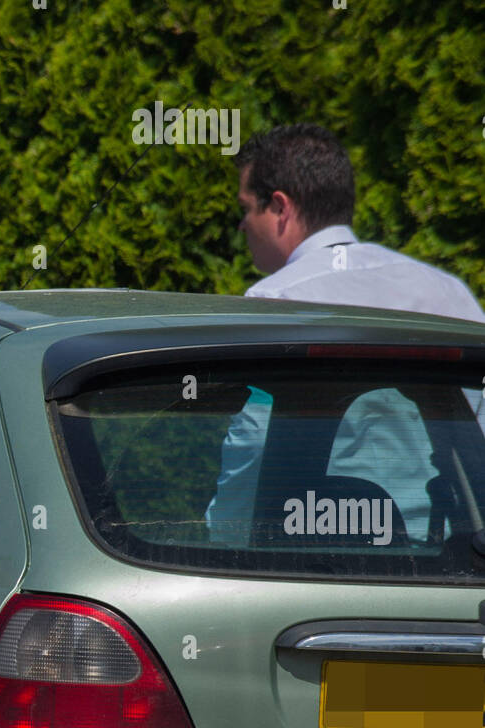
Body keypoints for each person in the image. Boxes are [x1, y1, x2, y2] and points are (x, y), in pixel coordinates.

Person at [206, 122, 485, 546]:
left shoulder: (276, 302)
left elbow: (255, 445)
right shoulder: (449, 293)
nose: (243, 226)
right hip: (456, 563)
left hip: (323, 562)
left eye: (247, 208)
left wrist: (223, 540)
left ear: (280, 207)